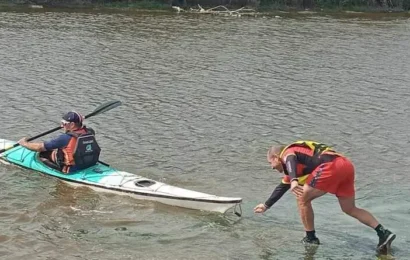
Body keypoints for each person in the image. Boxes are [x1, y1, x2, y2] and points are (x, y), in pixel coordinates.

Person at [254, 140, 396, 251]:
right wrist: (266, 205)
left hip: (330, 165)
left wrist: (294, 181)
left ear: (275, 157)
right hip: (346, 165)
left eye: (270, 163)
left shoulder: (288, 153)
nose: (272, 167)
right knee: (349, 208)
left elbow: (290, 159)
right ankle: (383, 232)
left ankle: (310, 238)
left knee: (302, 198)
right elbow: (282, 186)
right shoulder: (295, 166)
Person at [18, 111, 101, 173]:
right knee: (55, 150)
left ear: (72, 125)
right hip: (87, 164)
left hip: (72, 169)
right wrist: (78, 121)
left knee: (41, 154)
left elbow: (40, 147)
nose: (62, 126)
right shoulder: (90, 132)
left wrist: (25, 143)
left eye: (64, 123)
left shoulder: (64, 138)